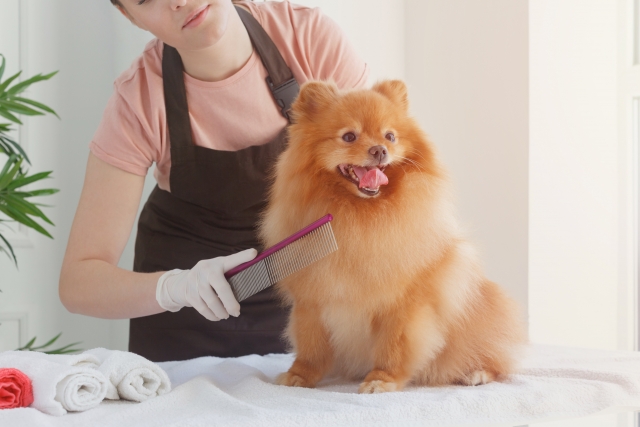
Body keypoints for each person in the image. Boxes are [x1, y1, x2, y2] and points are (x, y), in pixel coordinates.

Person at [59, 0, 369, 362]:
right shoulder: (138, 100)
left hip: (302, 306)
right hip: (182, 327)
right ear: (131, 17)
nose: (175, 2)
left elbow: (384, 189)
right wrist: (175, 288)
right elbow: (78, 284)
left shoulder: (308, 39)